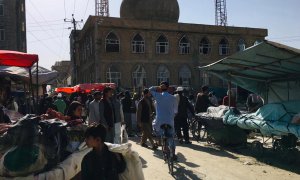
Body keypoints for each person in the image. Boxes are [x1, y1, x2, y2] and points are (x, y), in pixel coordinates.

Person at [150, 81, 178, 160]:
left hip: (160, 121)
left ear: (161, 88)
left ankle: (162, 142)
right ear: (168, 88)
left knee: (158, 130)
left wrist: (158, 87)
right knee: (171, 137)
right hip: (170, 121)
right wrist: (172, 116)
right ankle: (173, 154)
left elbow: (150, 89)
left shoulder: (158, 96)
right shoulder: (173, 97)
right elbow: (176, 111)